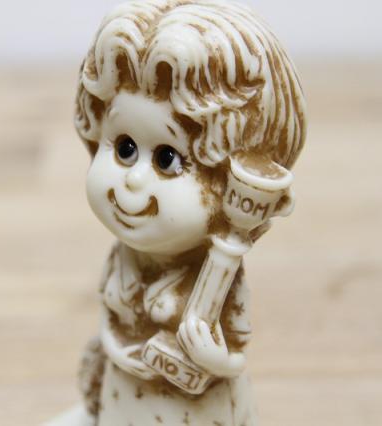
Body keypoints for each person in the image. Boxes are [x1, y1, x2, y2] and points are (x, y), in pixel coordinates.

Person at [66, 1, 306, 424]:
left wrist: (212, 358)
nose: (133, 180)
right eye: (124, 148)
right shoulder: (127, 255)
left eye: (167, 159)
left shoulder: (219, 279)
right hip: (121, 397)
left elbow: (234, 357)